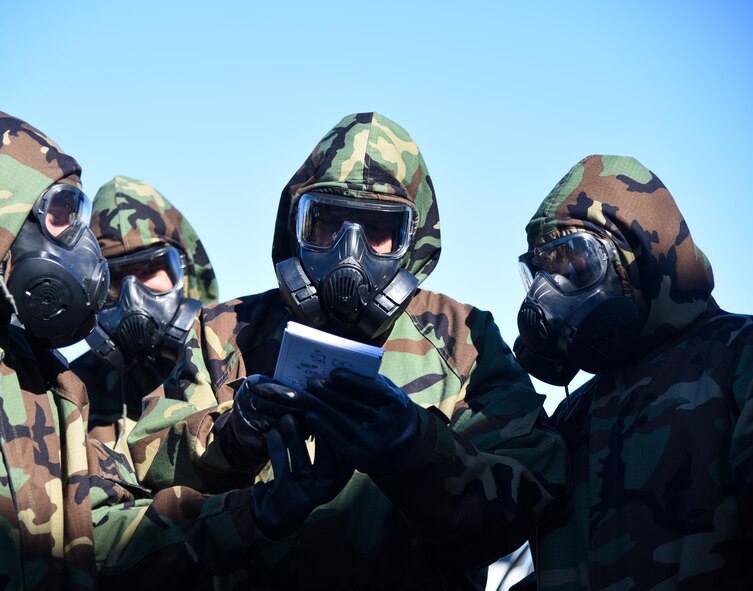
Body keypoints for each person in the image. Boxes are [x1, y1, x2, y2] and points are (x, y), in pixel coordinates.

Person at [0, 105, 350, 589]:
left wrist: (262, 511)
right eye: (60, 216)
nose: (76, 245)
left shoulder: (42, 380)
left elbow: (94, 542)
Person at [128, 112, 569, 589]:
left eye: (378, 230)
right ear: (295, 226)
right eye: (328, 222)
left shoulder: (464, 339)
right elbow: (140, 461)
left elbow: (534, 487)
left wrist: (414, 449)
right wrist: (234, 434)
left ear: (412, 242)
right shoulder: (224, 331)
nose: (349, 251)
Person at [512, 154, 753, 589]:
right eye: (542, 273)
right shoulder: (574, 418)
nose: (552, 295)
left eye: (575, 266)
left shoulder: (749, 362)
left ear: (642, 258)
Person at [70, 175, 218, 450]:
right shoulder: (74, 390)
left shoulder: (225, 360)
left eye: (149, 270)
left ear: (185, 274)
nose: (132, 295)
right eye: (114, 277)